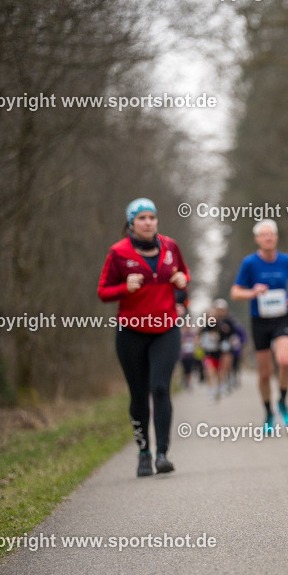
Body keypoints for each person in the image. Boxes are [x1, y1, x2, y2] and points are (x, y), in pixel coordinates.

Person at [98, 198, 189, 477]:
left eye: (152, 217)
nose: (148, 222)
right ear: (131, 223)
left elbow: (184, 275)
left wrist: (183, 284)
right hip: (131, 332)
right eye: (142, 218)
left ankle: (162, 453)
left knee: (160, 387)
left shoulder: (171, 246)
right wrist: (124, 287)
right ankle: (143, 453)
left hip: (166, 329)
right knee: (138, 394)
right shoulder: (118, 252)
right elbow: (103, 292)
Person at [231, 219, 288, 433]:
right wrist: (252, 292)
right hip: (260, 320)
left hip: (282, 317)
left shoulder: (287, 260)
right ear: (257, 239)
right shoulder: (250, 263)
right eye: (264, 235)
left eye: (271, 234)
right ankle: (268, 412)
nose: (268, 238)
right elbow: (235, 292)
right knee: (264, 374)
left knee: (285, 362)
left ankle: (282, 401)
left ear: (276, 237)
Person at [199, 300, 236, 401]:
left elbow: (228, 339)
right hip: (208, 353)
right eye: (209, 315)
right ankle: (210, 391)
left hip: (219, 353)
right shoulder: (204, 327)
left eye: (213, 315)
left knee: (219, 372)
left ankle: (221, 387)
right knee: (209, 372)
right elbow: (199, 338)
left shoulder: (222, 326)